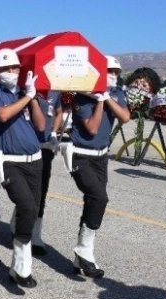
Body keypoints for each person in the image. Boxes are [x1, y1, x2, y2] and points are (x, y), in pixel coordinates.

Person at [0, 48, 45, 287]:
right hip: (8, 161)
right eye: (6, 68)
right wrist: (27, 98)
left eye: (15, 68)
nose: (11, 72)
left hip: (34, 160)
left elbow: (40, 126)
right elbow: (2, 115)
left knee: (32, 208)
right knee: (27, 205)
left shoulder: (24, 93)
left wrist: (34, 97)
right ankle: (21, 267)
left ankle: (18, 261)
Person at [64, 55, 130, 278]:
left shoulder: (117, 93)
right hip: (81, 155)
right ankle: (84, 251)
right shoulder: (83, 98)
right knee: (99, 197)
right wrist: (99, 101)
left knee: (92, 202)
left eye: (116, 73)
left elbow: (125, 117)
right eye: (109, 72)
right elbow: (92, 128)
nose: (113, 76)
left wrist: (106, 97)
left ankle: (79, 258)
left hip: (101, 157)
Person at [8, 89, 63, 256]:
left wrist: (54, 131)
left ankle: (36, 234)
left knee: (41, 190)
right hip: (26, 146)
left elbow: (59, 112)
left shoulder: (54, 92)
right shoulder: (24, 90)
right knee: (25, 190)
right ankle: (18, 219)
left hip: (45, 146)